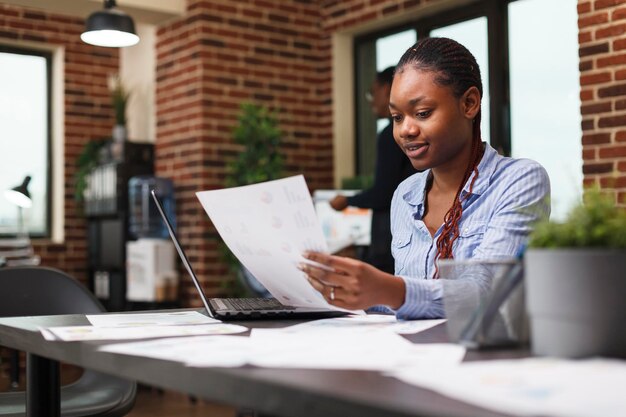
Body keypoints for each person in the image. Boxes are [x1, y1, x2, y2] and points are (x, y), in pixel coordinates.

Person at [300, 37, 550, 319]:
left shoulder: (519, 181)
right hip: (414, 356)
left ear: (469, 103)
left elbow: (486, 293)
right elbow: (409, 303)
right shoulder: (405, 195)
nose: (405, 130)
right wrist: (346, 287)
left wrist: (386, 289)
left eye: (422, 113)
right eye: (396, 117)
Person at [328, 66, 415, 274]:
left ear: (386, 89)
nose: (370, 99)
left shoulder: (392, 135)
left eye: (372, 92)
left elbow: (384, 194)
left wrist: (347, 201)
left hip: (392, 239)